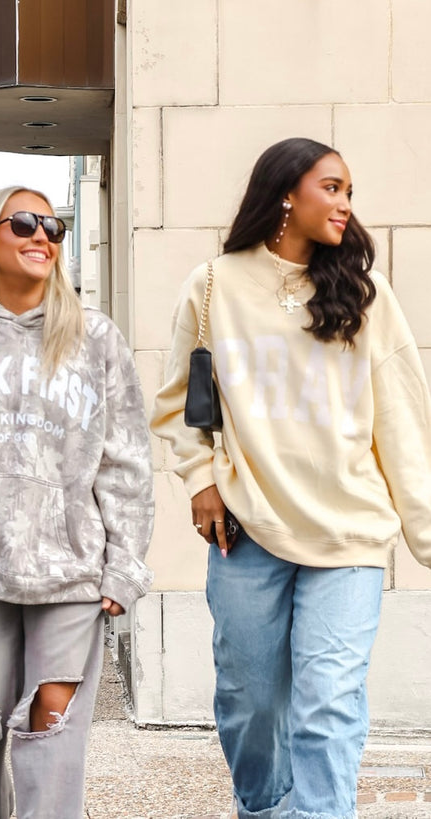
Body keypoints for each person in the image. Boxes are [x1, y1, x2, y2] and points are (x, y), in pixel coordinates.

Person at [150, 137, 431, 819]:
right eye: (330, 187)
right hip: (246, 532)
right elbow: (181, 403)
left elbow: (402, 423)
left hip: (350, 534)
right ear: (284, 193)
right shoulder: (213, 286)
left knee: (327, 705)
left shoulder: (364, 295)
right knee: (249, 704)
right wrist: (200, 479)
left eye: (348, 192)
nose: (344, 203)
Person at [0, 186, 154, 819]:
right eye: (22, 223)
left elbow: (126, 456)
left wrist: (125, 563)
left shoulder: (95, 336)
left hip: (72, 564)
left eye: (52, 226)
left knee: (51, 721)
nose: (42, 235)